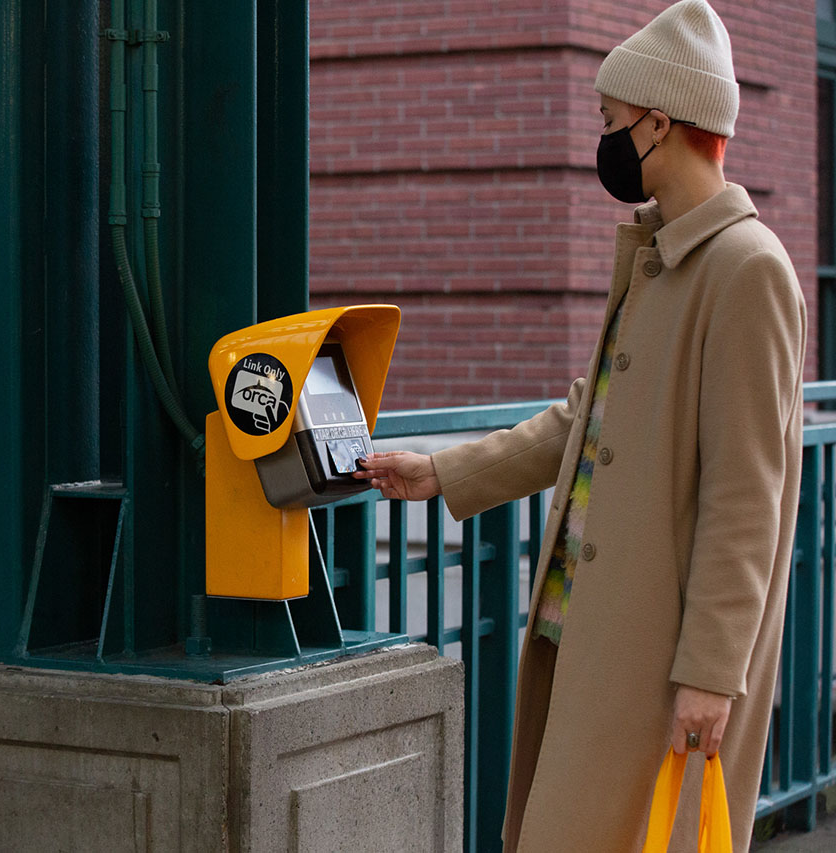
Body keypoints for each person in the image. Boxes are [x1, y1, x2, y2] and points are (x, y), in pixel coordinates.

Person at [354, 1, 806, 850]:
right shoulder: (658, 252)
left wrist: (711, 673)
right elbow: (584, 418)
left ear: (659, 122)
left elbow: (746, 496)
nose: (602, 139)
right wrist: (444, 473)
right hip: (593, 637)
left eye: (611, 121)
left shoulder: (748, 271)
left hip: (659, 657)